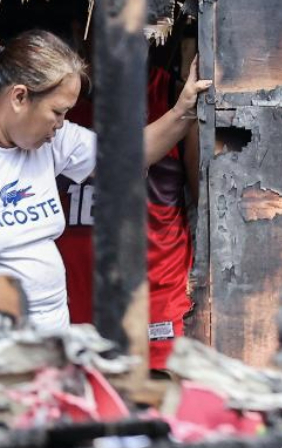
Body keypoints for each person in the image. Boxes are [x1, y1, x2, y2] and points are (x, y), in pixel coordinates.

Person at [0, 29, 210, 330]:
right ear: (19, 97)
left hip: (51, 339)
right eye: (57, 112)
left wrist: (183, 110)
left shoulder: (51, 142)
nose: (62, 123)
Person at [56, 53, 194, 370]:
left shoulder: (172, 94)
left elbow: (210, 201)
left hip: (153, 295)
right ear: (82, 33)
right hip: (70, 296)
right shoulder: (59, 103)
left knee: (155, 402)